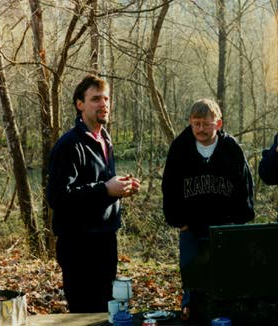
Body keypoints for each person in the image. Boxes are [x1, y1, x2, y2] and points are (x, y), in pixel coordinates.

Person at [46, 74, 140, 313]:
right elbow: (58, 198)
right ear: (80, 104)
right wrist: (106, 189)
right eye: (96, 99)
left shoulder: (105, 139)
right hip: (78, 245)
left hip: (105, 238)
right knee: (84, 314)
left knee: (104, 312)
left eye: (106, 98)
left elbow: (102, 186)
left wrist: (121, 189)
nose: (104, 104)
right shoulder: (69, 145)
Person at [161, 98, 254, 320]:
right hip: (191, 228)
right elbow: (169, 187)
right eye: (196, 123)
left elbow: (245, 186)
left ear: (218, 124)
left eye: (206, 124)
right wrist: (178, 221)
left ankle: (226, 316)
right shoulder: (180, 147)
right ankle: (192, 314)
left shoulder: (231, 149)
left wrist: (240, 222)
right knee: (194, 283)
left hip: (225, 227)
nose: (200, 129)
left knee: (227, 278)